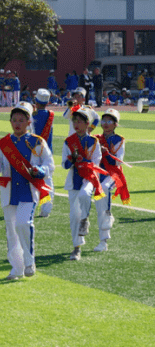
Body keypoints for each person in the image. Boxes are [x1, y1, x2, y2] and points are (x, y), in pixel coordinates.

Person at [0, 102, 54, 280]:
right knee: (11, 232)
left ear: (28, 122)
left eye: (21, 120)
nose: (17, 123)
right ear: (10, 122)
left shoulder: (37, 141)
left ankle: (29, 260)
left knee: (23, 224)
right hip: (9, 192)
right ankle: (16, 268)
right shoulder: (3, 144)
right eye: (14, 120)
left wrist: (41, 171)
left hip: (29, 190)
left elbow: (49, 164)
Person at [62, 107, 102, 261]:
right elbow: (64, 164)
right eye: (74, 121)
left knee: (85, 195)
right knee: (73, 216)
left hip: (89, 178)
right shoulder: (69, 141)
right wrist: (71, 159)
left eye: (80, 121)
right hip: (73, 180)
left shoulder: (93, 141)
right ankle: (76, 247)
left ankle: (85, 219)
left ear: (87, 124)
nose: (76, 124)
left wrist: (82, 161)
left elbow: (96, 163)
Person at [95, 108, 129, 253]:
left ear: (115, 124)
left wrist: (106, 153)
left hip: (114, 174)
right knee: (97, 202)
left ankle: (104, 239)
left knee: (104, 189)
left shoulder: (119, 140)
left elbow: (118, 162)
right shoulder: (96, 138)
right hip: (99, 173)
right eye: (104, 120)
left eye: (109, 121)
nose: (106, 124)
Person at [31, 89, 56, 218]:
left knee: (31, 179)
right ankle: (46, 209)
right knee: (48, 180)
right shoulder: (50, 114)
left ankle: (31, 207)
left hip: (33, 150)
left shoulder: (32, 115)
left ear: (36, 100)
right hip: (48, 150)